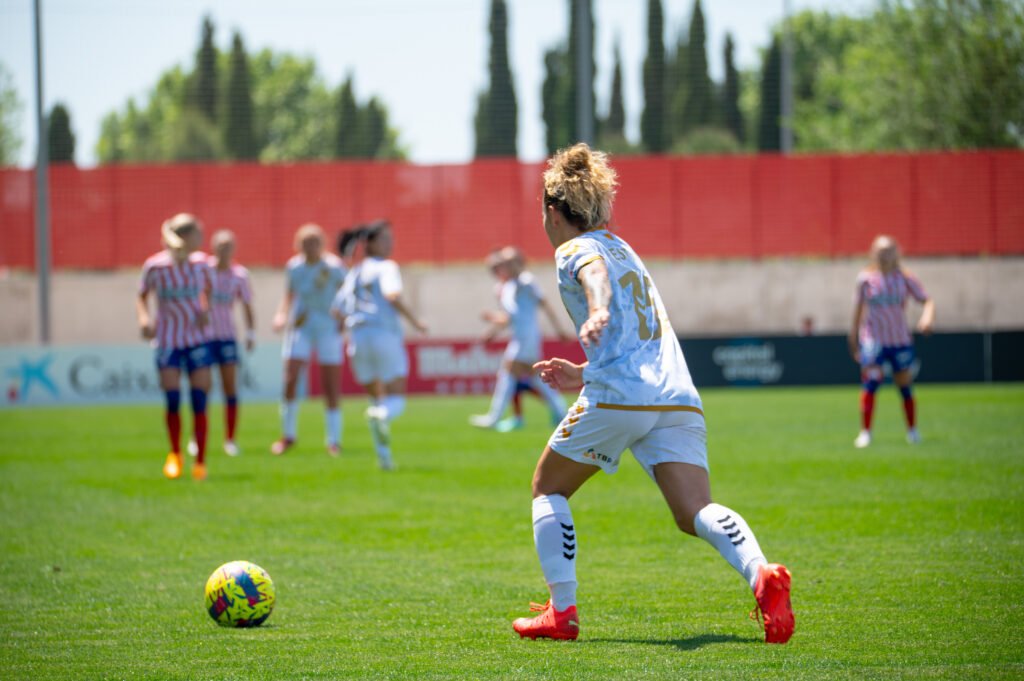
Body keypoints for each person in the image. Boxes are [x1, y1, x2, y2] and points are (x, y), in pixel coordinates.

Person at [511, 143, 794, 644]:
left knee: (547, 488)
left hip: (621, 396)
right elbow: (633, 330)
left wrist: (595, 309)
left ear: (552, 212)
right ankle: (762, 574)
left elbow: (592, 277)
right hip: (675, 396)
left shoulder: (573, 249)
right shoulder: (625, 247)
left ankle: (562, 611)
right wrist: (582, 370)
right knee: (695, 511)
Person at [334, 220, 427, 470]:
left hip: (357, 339)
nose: (391, 243)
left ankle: (384, 458)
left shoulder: (355, 272)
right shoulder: (386, 267)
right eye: (386, 239)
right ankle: (381, 416)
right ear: (372, 243)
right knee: (395, 400)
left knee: (376, 399)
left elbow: (336, 309)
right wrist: (416, 321)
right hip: (383, 335)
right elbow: (392, 295)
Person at [136, 213, 214, 481]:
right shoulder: (155, 267)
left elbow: (209, 291)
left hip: (196, 340)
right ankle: (175, 454)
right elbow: (142, 296)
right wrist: (144, 318)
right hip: (168, 340)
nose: (201, 239)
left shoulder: (202, 264)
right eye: (197, 234)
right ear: (185, 236)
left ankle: (201, 461)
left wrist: (205, 309)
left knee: (199, 400)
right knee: (172, 400)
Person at [848, 235, 935, 448]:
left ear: (897, 252)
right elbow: (857, 311)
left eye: (888, 250)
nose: (884, 255)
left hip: (899, 341)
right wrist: (852, 340)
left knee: (904, 385)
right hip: (873, 340)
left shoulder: (905, 278)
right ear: (872, 253)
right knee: (870, 383)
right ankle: (865, 433)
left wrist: (926, 318)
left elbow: (927, 300)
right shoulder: (865, 279)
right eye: (880, 251)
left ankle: (912, 431)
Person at [470, 246, 569, 432]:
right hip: (520, 337)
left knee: (510, 372)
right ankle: (562, 411)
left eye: (510, 261)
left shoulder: (527, 282)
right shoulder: (508, 286)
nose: (506, 265)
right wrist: (492, 332)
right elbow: (510, 316)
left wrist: (559, 330)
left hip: (528, 337)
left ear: (520, 263)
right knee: (533, 377)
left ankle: (494, 417)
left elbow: (545, 305)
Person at [271, 224, 346, 457]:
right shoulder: (294, 267)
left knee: (330, 384)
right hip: (301, 327)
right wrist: (281, 315)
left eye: (314, 242)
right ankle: (288, 435)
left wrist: (343, 316)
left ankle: (333, 440)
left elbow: (346, 293)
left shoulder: (333, 267)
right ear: (298, 244)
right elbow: (289, 295)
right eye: (305, 242)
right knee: (290, 378)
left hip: (327, 327)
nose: (310, 247)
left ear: (322, 244)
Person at [187, 229, 255, 457]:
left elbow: (246, 304)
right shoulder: (204, 270)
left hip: (227, 337)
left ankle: (230, 439)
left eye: (229, 246)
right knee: (201, 388)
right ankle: (196, 438)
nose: (225, 250)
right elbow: (193, 295)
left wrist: (251, 333)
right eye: (221, 245)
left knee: (229, 387)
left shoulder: (240, 275)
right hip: (203, 337)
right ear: (213, 247)